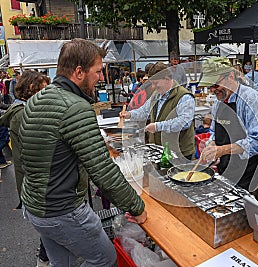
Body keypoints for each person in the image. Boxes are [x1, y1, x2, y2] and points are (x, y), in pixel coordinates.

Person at [19, 39, 147, 266]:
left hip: (36, 206)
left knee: (63, 263)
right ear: (79, 72)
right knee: (105, 259)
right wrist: (136, 207)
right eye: (97, 71)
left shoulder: (37, 99)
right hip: (62, 209)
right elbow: (103, 170)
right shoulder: (75, 107)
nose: (102, 78)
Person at [0, 70, 50, 265]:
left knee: (50, 228)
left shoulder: (22, 110)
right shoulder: (22, 114)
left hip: (34, 182)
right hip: (35, 184)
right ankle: (44, 260)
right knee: (49, 227)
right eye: (45, 89)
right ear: (32, 89)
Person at [198, 57, 258, 195]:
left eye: (215, 85)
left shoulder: (250, 99)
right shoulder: (218, 102)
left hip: (249, 172)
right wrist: (211, 143)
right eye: (209, 86)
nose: (212, 90)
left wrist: (222, 150)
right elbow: (214, 131)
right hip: (227, 168)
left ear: (230, 76)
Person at [121, 62, 195, 159]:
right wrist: (129, 114)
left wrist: (157, 126)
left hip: (179, 153)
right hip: (159, 150)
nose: (153, 87)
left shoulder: (184, 96)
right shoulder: (156, 95)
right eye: (152, 83)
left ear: (167, 79)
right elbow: (144, 112)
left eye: (155, 83)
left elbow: (184, 122)